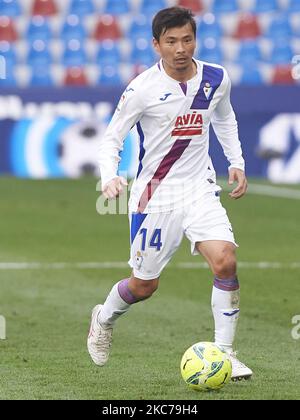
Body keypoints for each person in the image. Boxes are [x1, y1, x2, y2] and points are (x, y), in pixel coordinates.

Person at [88, 6, 252, 381]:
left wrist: (236, 161)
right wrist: (109, 176)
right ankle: (103, 317)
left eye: (187, 39)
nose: (181, 48)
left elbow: (225, 117)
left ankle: (225, 354)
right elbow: (112, 139)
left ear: (196, 39)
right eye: (172, 41)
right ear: (156, 44)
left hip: (199, 188)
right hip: (155, 196)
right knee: (144, 285)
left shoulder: (216, 77)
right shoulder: (142, 88)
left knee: (225, 261)